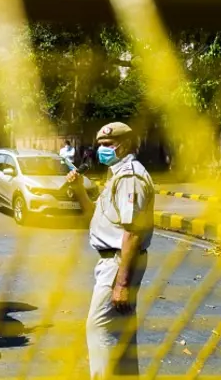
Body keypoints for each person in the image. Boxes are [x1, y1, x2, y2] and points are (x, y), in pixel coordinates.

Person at [66, 122, 154, 379]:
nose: (101, 150)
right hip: (113, 262)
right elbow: (94, 215)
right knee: (121, 334)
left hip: (119, 263)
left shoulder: (130, 177)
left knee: (100, 330)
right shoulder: (116, 176)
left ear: (124, 145)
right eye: (100, 145)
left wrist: (121, 283)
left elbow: (133, 231)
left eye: (108, 145)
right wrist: (79, 189)